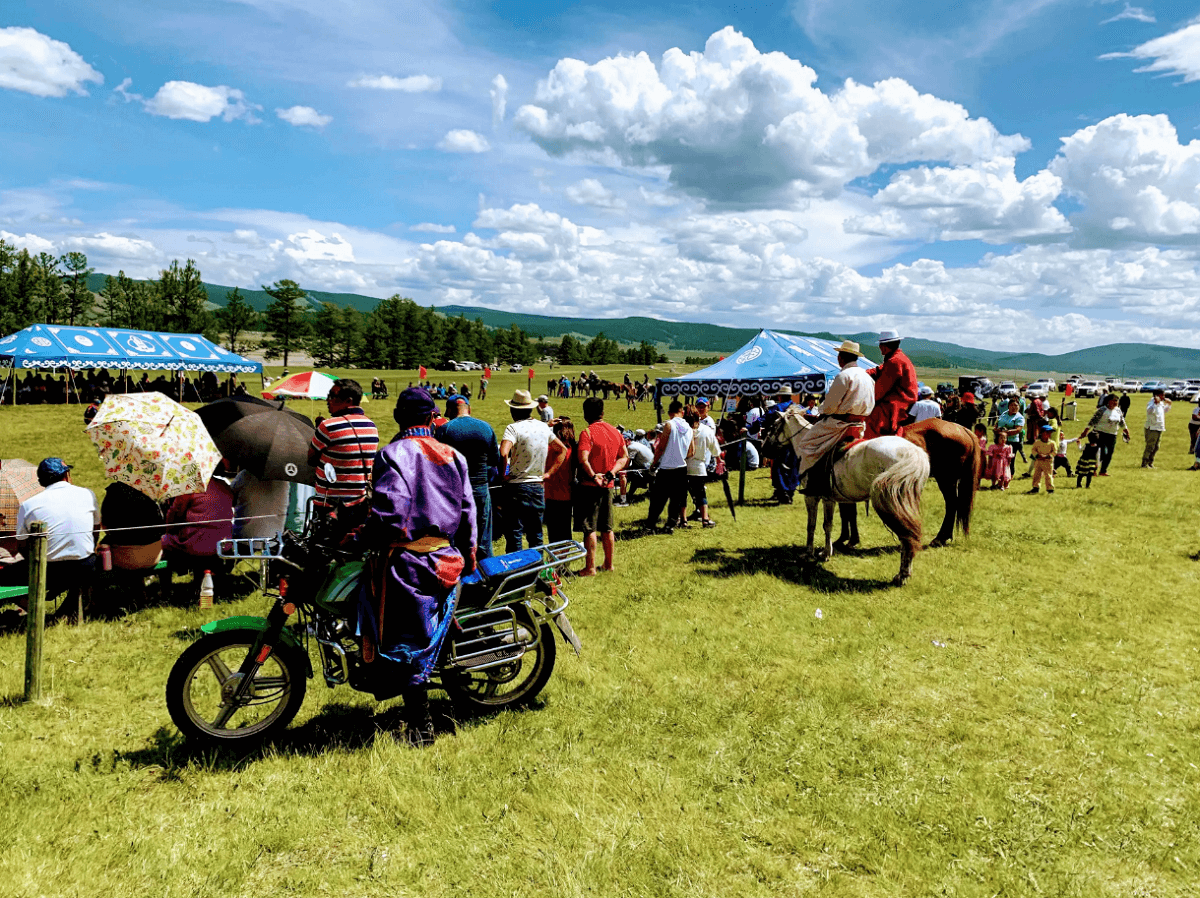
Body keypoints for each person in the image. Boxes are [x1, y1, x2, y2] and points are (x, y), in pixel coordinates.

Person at [358, 387, 476, 747]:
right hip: (446, 558)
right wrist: (469, 552)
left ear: (397, 418)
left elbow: (392, 511)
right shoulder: (454, 456)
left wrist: (365, 532)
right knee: (421, 634)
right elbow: (469, 511)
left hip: (407, 563)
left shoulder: (393, 454)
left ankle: (420, 726)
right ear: (431, 418)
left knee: (409, 641)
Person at [11, 459, 100, 601]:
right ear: (67, 475)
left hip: (47, 571)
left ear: (41, 482)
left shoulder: (27, 505)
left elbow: (22, 545)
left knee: (9, 575)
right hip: (85, 566)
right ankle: (71, 606)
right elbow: (96, 531)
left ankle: (33, 611)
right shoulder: (88, 494)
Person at [795, 341, 874, 486]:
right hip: (860, 424)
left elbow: (830, 407)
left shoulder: (844, 376)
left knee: (805, 446)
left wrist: (820, 410)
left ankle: (812, 483)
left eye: (839, 355)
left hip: (838, 424)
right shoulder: (867, 377)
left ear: (841, 357)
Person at [307, 378, 379, 530]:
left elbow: (311, 459)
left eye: (332, 396)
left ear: (348, 401)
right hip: (360, 502)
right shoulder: (371, 426)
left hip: (329, 503)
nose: (328, 400)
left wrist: (319, 429)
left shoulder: (328, 426)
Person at [499, 389, 566, 553]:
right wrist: (549, 473)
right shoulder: (543, 427)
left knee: (514, 532)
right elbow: (562, 449)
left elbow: (503, 452)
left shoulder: (512, 428)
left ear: (514, 410)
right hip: (537, 485)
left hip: (516, 486)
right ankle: (537, 571)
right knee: (536, 534)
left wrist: (503, 475)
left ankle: (516, 571)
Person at [435, 397, 500, 559]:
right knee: (483, 536)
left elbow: (437, 462)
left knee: (457, 537)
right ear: (468, 409)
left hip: (455, 491)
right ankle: (488, 575)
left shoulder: (445, 430)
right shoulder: (486, 428)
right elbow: (494, 460)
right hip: (481, 489)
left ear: (450, 410)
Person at [575, 398, 628, 574]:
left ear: (585, 414)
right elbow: (624, 457)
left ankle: (590, 566)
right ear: (602, 413)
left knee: (589, 527)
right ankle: (608, 564)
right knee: (607, 527)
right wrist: (612, 472)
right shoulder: (615, 432)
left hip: (589, 485)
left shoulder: (587, 433)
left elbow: (583, 458)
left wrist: (592, 475)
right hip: (608, 485)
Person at [643, 399, 691, 532]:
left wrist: (653, 464)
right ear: (682, 412)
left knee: (658, 499)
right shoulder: (689, 427)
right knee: (676, 499)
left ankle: (650, 525)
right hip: (681, 467)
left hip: (667, 467)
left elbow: (661, 448)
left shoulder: (668, 425)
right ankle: (671, 524)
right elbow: (691, 451)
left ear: (670, 413)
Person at [864, 329, 918, 438]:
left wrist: (865, 398)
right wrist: (863, 372)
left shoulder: (894, 362)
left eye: (880, 345)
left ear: (884, 346)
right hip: (905, 397)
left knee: (871, 420)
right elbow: (879, 369)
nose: (879, 348)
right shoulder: (896, 358)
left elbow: (878, 392)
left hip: (900, 399)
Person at [99, 481, 165, 570]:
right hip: (154, 558)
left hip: (122, 561)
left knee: (103, 546)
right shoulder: (154, 491)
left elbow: (105, 526)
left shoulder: (114, 493)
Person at [684, 408, 720, 529]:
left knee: (682, 494)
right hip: (698, 466)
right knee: (701, 494)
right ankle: (705, 519)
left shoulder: (681, 430)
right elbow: (715, 448)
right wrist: (719, 461)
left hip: (683, 465)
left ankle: (682, 520)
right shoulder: (706, 430)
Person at [1078, 394, 1130, 476]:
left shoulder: (1118, 410)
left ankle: (1103, 470)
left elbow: (1122, 422)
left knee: (1109, 453)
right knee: (1101, 453)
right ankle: (1093, 469)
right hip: (1100, 433)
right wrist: (1085, 431)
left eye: (1116, 400)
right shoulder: (1102, 410)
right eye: (1113, 400)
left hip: (1112, 434)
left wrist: (1126, 431)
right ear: (1108, 401)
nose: (1115, 402)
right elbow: (1093, 421)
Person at [543, 418, 576, 543]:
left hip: (550, 494)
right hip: (567, 494)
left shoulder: (549, 448)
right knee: (565, 529)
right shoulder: (573, 450)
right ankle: (565, 557)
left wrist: (546, 425)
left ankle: (556, 557)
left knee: (553, 531)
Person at [995, 399, 1026, 477]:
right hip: (999, 440)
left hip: (1012, 442)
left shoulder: (1020, 417)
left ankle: (1008, 478)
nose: (1014, 407)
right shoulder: (1003, 414)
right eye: (1012, 405)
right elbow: (997, 423)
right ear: (1008, 406)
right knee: (998, 460)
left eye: (1016, 405)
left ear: (1019, 407)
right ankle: (998, 477)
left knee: (1009, 461)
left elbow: (1018, 429)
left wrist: (1005, 433)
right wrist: (996, 429)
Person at [1142, 389, 1171, 469]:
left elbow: (1164, 411)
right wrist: (1155, 403)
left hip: (1159, 427)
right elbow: (1150, 411)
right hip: (1152, 428)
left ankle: (1150, 462)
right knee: (1150, 446)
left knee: (1156, 446)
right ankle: (1144, 463)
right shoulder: (1151, 403)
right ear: (1157, 395)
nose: (1164, 397)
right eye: (1163, 395)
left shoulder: (1161, 404)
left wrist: (1168, 405)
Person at [1028, 425, 1057, 494]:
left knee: (1048, 475)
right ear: (1042, 433)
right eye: (1047, 432)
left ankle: (1050, 489)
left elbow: (1055, 451)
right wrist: (1038, 455)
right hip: (1038, 461)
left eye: (1050, 433)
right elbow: (1033, 450)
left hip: (1048, 462)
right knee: (1037, 475)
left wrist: (1048, 455)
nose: (1049, 434)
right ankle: (1036, 487)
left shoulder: (1052, 443)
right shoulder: (1037, 442)